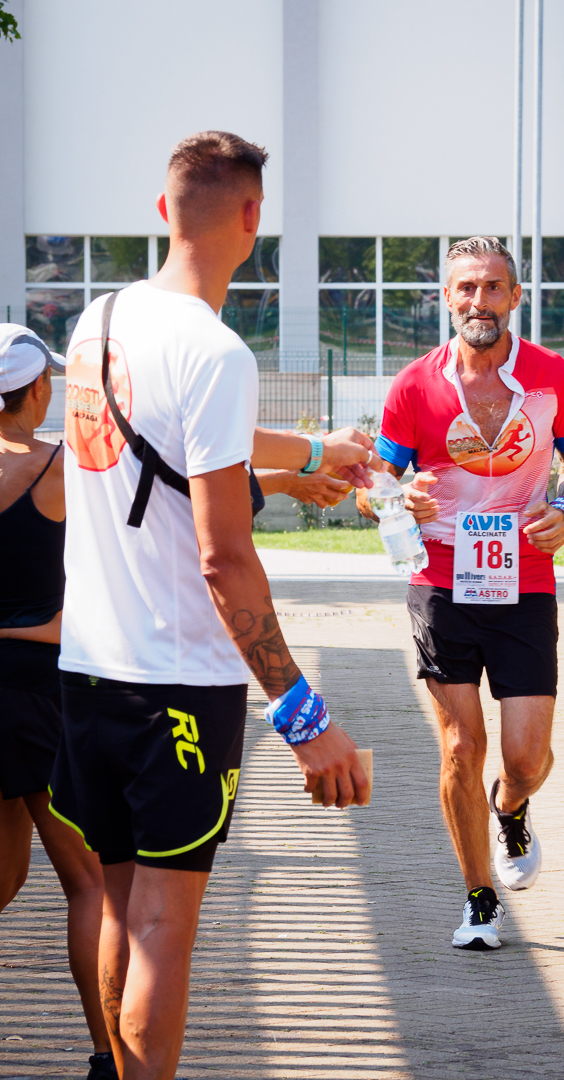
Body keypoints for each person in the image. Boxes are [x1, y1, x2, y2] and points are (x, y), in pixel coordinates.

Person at [49, 130, 380, 1080]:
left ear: (163, 211)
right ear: (252, 218)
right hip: (178, 688)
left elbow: (181, 446)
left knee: (122, 909)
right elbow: (222, 557)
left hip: (88, 673)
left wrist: (310, 456)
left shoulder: (98, 321)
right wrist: (303, 716)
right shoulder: (217, 350)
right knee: (162, 926)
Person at [358, 236, 564, 950]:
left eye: (493, 287)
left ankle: (511, 807)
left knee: (526, 758)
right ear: (447, 298)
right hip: (439, 580)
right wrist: (399, 501)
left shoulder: (551, 375)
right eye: (466, 288)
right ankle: (479, 899)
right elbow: (372, 489)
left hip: (525, 579)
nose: (479, 301)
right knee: (462, 745)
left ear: (515, 297)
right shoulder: (415, 386)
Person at [0, 325, 117, 1079]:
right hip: (40, 696)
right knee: (90, 883)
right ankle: (110, 1055)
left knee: (4, 879)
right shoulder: (61, 468)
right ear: (40, 389)